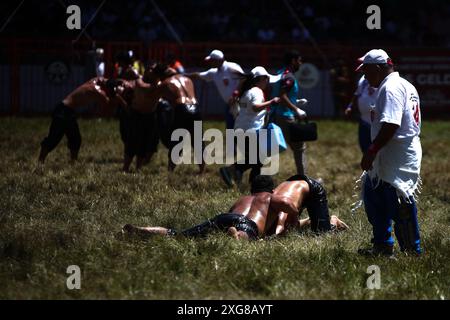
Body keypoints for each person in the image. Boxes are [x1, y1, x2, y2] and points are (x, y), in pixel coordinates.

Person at [121, 175, 347, 240]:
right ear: (270, 189)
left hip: (225, 216)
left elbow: (232, 214)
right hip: (243, 225)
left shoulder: (243, 198)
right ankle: (236, 237)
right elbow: (287, 204)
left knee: (179, 234)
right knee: (243, 238)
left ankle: (145, 231)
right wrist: (293, 218)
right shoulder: (271, 198)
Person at [358, 49, 423, 256]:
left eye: (367, 71)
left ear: (378, 68)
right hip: (392, 153)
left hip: (395, 154)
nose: (365, 77)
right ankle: (382, 245)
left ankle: (411, 250)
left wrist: (371, 150)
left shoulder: (391, 88)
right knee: (374, 196)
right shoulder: (403, 84)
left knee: (398, 203)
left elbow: (391, 124)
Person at [219, 66, 281, 187]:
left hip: (239, 131)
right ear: (261, 79)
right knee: (258, 160)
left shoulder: (246, 92)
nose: (267, 82)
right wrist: (272, 101)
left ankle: (240, 176)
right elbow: (255, 107)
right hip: (251, 131)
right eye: (266, 79)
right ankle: (234, 171)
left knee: (255, 159)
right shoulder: (257, 91)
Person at [38, 78, 124, 163]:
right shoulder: (97, 91)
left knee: (75, 139)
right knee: (54, 138)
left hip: (68, 111)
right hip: (63, 111)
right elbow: (108, 106)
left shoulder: (96, 80)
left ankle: (73, 162)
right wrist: (119, 99)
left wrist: (116, 84)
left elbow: (106, 81)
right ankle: (40, 161)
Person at [146, 63, 205, 174]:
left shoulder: (165, 83)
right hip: (196, 108)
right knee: (197, 142)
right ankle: (202, 171)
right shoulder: (187, 79)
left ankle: (170, 170)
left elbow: (150, 96)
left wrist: (154, 82)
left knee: (176, 141)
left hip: (181, 108)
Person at [269, 174, 349, 235]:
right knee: (289, 227)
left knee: (322, 233)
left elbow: (277, 235)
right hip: (292, 185)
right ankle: (311, 221)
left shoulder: (282, 209)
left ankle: (333, 221)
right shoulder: (266, 212)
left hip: (312, 189)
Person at [269, 50, 308, 175]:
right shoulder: (289, 76)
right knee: (299, 147)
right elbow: (282, 95)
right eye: (299, 61)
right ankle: (304, 180)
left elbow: (278, 93)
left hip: (274, 115)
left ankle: (235, 169)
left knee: (266, 148)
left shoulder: (280, 73)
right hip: (285, 117)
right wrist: (296, 109)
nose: (300, 64)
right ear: (293, 61)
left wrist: (295, 101)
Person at [187, 49, 244, 129]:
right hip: (230, 104)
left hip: (240, 102)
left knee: (241, 126)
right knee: (230, 127)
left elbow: (243, 78)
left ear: (218, 60)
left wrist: (236, 92)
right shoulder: (214, 72)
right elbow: (198, 75)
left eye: (212, 60)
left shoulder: (231, 67)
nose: (210, 63)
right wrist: (183, 75)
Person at [345, 57, 377, 153]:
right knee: (364, 146)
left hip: (377, 121)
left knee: (376, 148)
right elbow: (357, 94)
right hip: (364, 119)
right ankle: (369, 166)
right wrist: (350, 106)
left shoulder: (383, 80)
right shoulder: (362, 79)